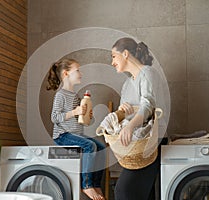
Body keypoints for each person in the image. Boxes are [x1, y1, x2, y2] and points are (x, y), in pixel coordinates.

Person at [111, 37, 165, 200]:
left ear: (125, 54)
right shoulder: (127, 84)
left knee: (124, 191)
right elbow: (126, 115)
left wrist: (130, 126)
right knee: (143, 195)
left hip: (150, 143)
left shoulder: (148, 73)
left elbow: (147, 105)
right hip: (134, 146)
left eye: (113, 56)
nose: (112, 62)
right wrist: (122, 112)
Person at [46, 58, 106, 200]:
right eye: (77, 70)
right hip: (62, 135)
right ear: (66, 74)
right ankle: (86, 185)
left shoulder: (76, 96)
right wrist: (74, 112)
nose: (81, 73)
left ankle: (96, 184)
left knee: (102, 147)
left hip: (76, 133)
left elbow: (84, 122)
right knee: (90, 146)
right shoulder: (60, 95)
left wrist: (88, 116)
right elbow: (54, 117)